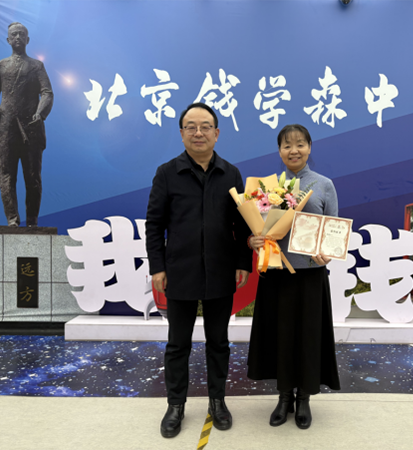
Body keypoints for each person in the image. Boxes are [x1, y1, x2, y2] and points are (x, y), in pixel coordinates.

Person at [145, 103, 252, 438]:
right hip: (180, 271)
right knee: (178, 344)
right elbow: (154, 224)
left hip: (221, 270)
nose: (198, 132)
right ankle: (175, 405)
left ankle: (217, 401)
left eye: (205, 126)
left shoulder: (231, 174)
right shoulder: (167, 173)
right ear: (181, 134)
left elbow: (242, 224)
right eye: (190, 126)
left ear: (217, 133)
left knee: (218, 342)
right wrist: (158, 266)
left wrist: (242, 262)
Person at [247, 124, 341, 429]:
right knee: (281, 337)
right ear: (279, 151)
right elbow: (259, 228)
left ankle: (304, 399)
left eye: (300, 144)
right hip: (276, 273)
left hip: (310, 276)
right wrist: (254, 240)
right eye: (287, 145)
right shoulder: (268, 188)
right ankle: (284, 396)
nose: (294, 150)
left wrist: (327, 251)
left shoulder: (324, 184)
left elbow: (333, 230)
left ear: (309, 147)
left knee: (308, 338)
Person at [0, 22, 54, 227]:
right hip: (6, 128)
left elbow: (47, 93)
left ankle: (32, 221)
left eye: (21, 34)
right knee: (7, 174)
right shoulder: (1, 66)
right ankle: (12, 220)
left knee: (33, 177)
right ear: (8, 40)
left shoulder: (36, 66)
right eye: (14, 34)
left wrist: (40, 113)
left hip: (31, 128)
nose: (18, 37)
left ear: (28, 39)